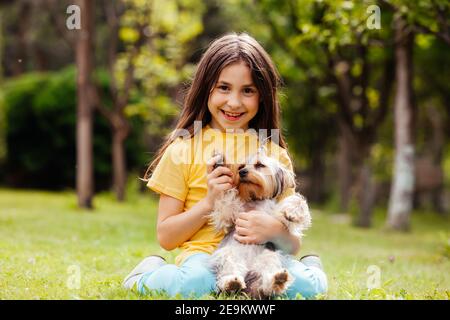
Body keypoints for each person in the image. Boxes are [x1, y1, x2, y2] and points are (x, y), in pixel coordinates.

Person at [123, 32, 328, 299]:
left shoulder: (272, 154)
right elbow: (166, 237)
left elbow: (292, 243)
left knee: (303, 287)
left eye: (247, 91)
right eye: (223, 88)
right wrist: (209, 202)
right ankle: (145, 275)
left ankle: (313, 269)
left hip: (262, 255)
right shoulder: (183, 148)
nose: (234, 102)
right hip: (205, 257)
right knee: (195, 284)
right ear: (205, 87)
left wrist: (275, 230)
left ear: (263, 96)